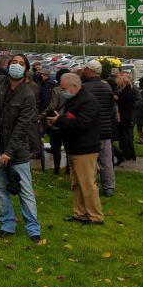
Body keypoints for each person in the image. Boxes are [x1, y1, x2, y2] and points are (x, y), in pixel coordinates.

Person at [0, 53, 42, 241]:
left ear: (26, 70)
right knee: (0, 189)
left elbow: (22, 127)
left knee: (25, 191)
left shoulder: (28, 95)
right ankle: (7, 224)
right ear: (8, 65)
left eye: (21, 64)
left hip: (17, 151)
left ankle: (33, 228)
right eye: (14, 62)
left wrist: (8, 152)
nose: (17, 66)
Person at [50, 72, 102, 225]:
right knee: (76, 183)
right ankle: (80, 213)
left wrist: (59, 120)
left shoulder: (88, 101)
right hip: (74, 147)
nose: (62, 90)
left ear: (74, 86)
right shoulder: (75, 99)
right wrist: (58, 121)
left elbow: (81, 124)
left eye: (64, 88)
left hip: (85, 149)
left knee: (87, 184)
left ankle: (95, 216)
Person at [80, 59, 116, 197]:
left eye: (85, 69)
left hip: (90, 130)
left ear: (90, 71)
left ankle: (89, 186)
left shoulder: (84, 88)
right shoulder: (107, 87)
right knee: (106, 161)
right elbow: (112, 109)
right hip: (105, 130)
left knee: (89, 161)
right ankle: (109, 187)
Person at [114, 73, 138, 163]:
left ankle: (128, 153)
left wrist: (116, 98)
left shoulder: (124, 92)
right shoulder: (130, 90)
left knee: (125, 136)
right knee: (127, 136)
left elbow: (123, 103)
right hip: (128, 115)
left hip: (125, 115)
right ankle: (131, 153)